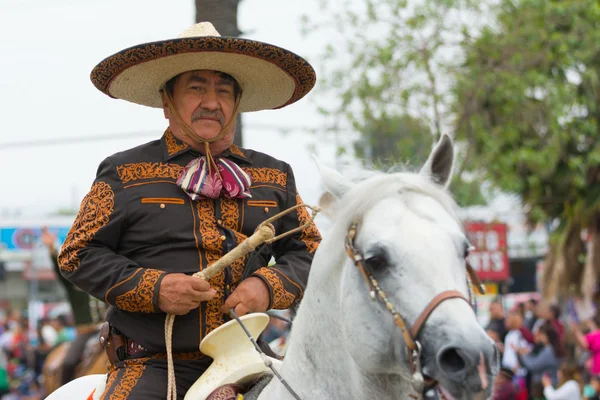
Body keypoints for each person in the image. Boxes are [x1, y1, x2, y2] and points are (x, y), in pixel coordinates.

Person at [57, 21, 321, 399]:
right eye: (196, 88)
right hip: (151, 364)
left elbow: (311, 253)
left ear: (237, 102)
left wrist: (266, 287)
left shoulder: (274, 176)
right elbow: (77, 254)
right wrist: (155, 288)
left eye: (224, 90)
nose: (212, 102)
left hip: (248, 358)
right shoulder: (124, 173)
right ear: (168, 100)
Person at [41, 228, 101, 385]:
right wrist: (51, 248)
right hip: (86, 332)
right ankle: (65, 393)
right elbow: (60, 270)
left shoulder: (107, 280)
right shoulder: (74, 283)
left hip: (112, 330)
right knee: (69, 362)